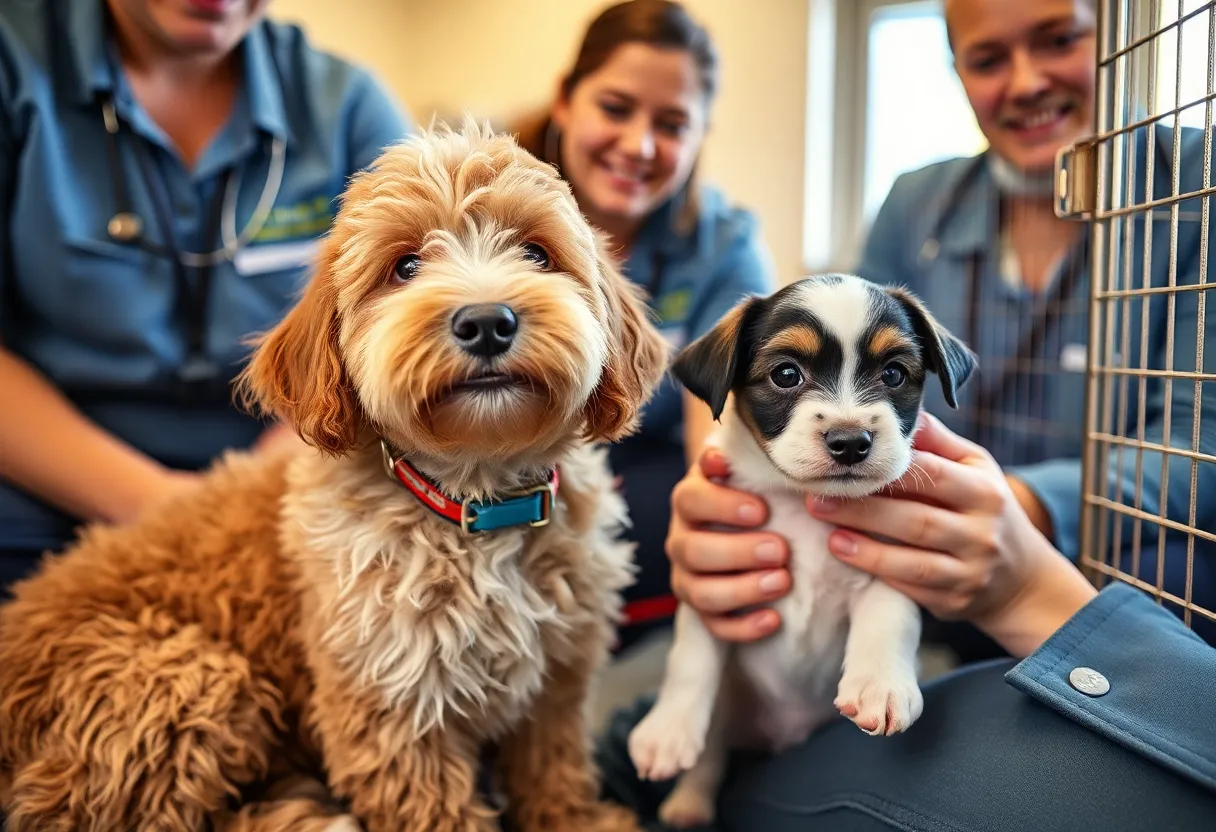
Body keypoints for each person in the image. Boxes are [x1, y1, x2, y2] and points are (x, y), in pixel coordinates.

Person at [655, 0, 1216, 661]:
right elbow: (844, 365)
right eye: (987, 59)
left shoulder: (1198, 183)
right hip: (910, 552)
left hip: (1111, 573)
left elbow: (1199, 449)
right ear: (956, 70)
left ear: (1117, 34)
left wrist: (1017, 508)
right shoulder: (916, 203)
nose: (1026, 81)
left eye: (1059, 39)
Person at [594, 414, 1216, 831]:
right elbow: (707, 616)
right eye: (786, 376)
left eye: (891, 374)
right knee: (651, 737)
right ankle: (689, 775)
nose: (847, 414)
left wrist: (1019, 536)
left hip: (843, 719)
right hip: (742, 705)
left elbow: (883, 595)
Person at [0, 0, 413, 592]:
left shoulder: (345, 105)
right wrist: (165, 507)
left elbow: (403, 328)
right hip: (52, 479)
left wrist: (241, 502)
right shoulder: (15, 67)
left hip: (286, 474)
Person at [512, 0, 777, 648]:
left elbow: (719, 439)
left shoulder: (724, 248)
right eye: (615, 108)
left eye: (672, 124)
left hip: (634, 481)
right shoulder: (484, 203)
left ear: (700, 135)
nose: (640, 145)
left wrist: (722, 527)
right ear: (565, 100)